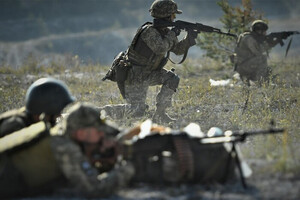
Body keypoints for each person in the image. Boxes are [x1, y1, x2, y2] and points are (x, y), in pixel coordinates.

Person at [0, 79, 134, 198]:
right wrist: (129, 168)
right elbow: (94, 189)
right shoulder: (61, 143)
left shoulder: (54, 134)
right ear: (81, 133)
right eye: (98, 132)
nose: (101, 136)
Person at [103, 0, 197, 123]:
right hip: (134, 76)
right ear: (166, 15)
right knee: (137, 111)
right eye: (173, 15)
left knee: (172, 79)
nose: (174, 19)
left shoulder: (166, 32)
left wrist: (189, 40)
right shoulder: (149, 31)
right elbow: (161, 48)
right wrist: (173, 33)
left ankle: (160, 114)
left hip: (149, 73)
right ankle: (102, 112)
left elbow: (177, 50)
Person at [0, 77, 75, 137]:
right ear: (43, 114)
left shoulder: (31, 116)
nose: (59, 115)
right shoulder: (15, 127)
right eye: (57, 112)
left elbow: (62, 118)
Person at [234, 20, 279, 85]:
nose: (265, 33)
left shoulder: (252, 38)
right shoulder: (250, 39)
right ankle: (261, 82)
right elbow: (257, 53)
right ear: (259, 31)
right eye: (264, 31)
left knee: (267, 68)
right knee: (262, 58)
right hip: (243, 66)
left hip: (244, 64)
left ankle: (261, 80)